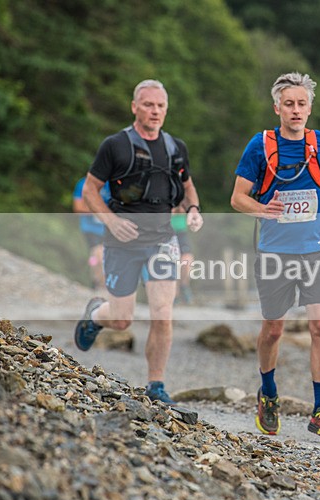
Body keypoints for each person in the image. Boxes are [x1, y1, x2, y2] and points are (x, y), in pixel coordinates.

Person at [73, 79, 204, 404]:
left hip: (162, 240)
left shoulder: (176, 147)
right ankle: (94, 316)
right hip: (122, 242)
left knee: (163, 312)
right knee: (122, 318)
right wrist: (112, 221)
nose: (155, 111)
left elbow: (187, 188)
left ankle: (156, 385)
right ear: (135, 107)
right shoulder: (115, 145)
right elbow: (90, 191)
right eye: (148, 104)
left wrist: (194, 211)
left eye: (160, 106)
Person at [230, 72, 320, 437]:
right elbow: (237, 198)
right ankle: (268, 392)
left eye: (302, 103)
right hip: (274, 250)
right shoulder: (259, 145)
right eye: (289, 104)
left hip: (316, 250)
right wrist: (262, 210)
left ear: (310, 108)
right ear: (277, 107)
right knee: (274, 330)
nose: (296, 110)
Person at [72, 176, 111, 291]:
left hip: (109, 228)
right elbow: (78, 207)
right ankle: (99, 283)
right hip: (90, 228)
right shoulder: (83, 184)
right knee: (98, 253)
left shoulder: (112, 184)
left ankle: (102, 282)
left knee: (104, 255)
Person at [171, 206, 195, 305]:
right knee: (173, 263)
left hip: (181, 233)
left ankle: (184, 286)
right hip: (167, 233)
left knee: (186, 260)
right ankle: (175, 295)